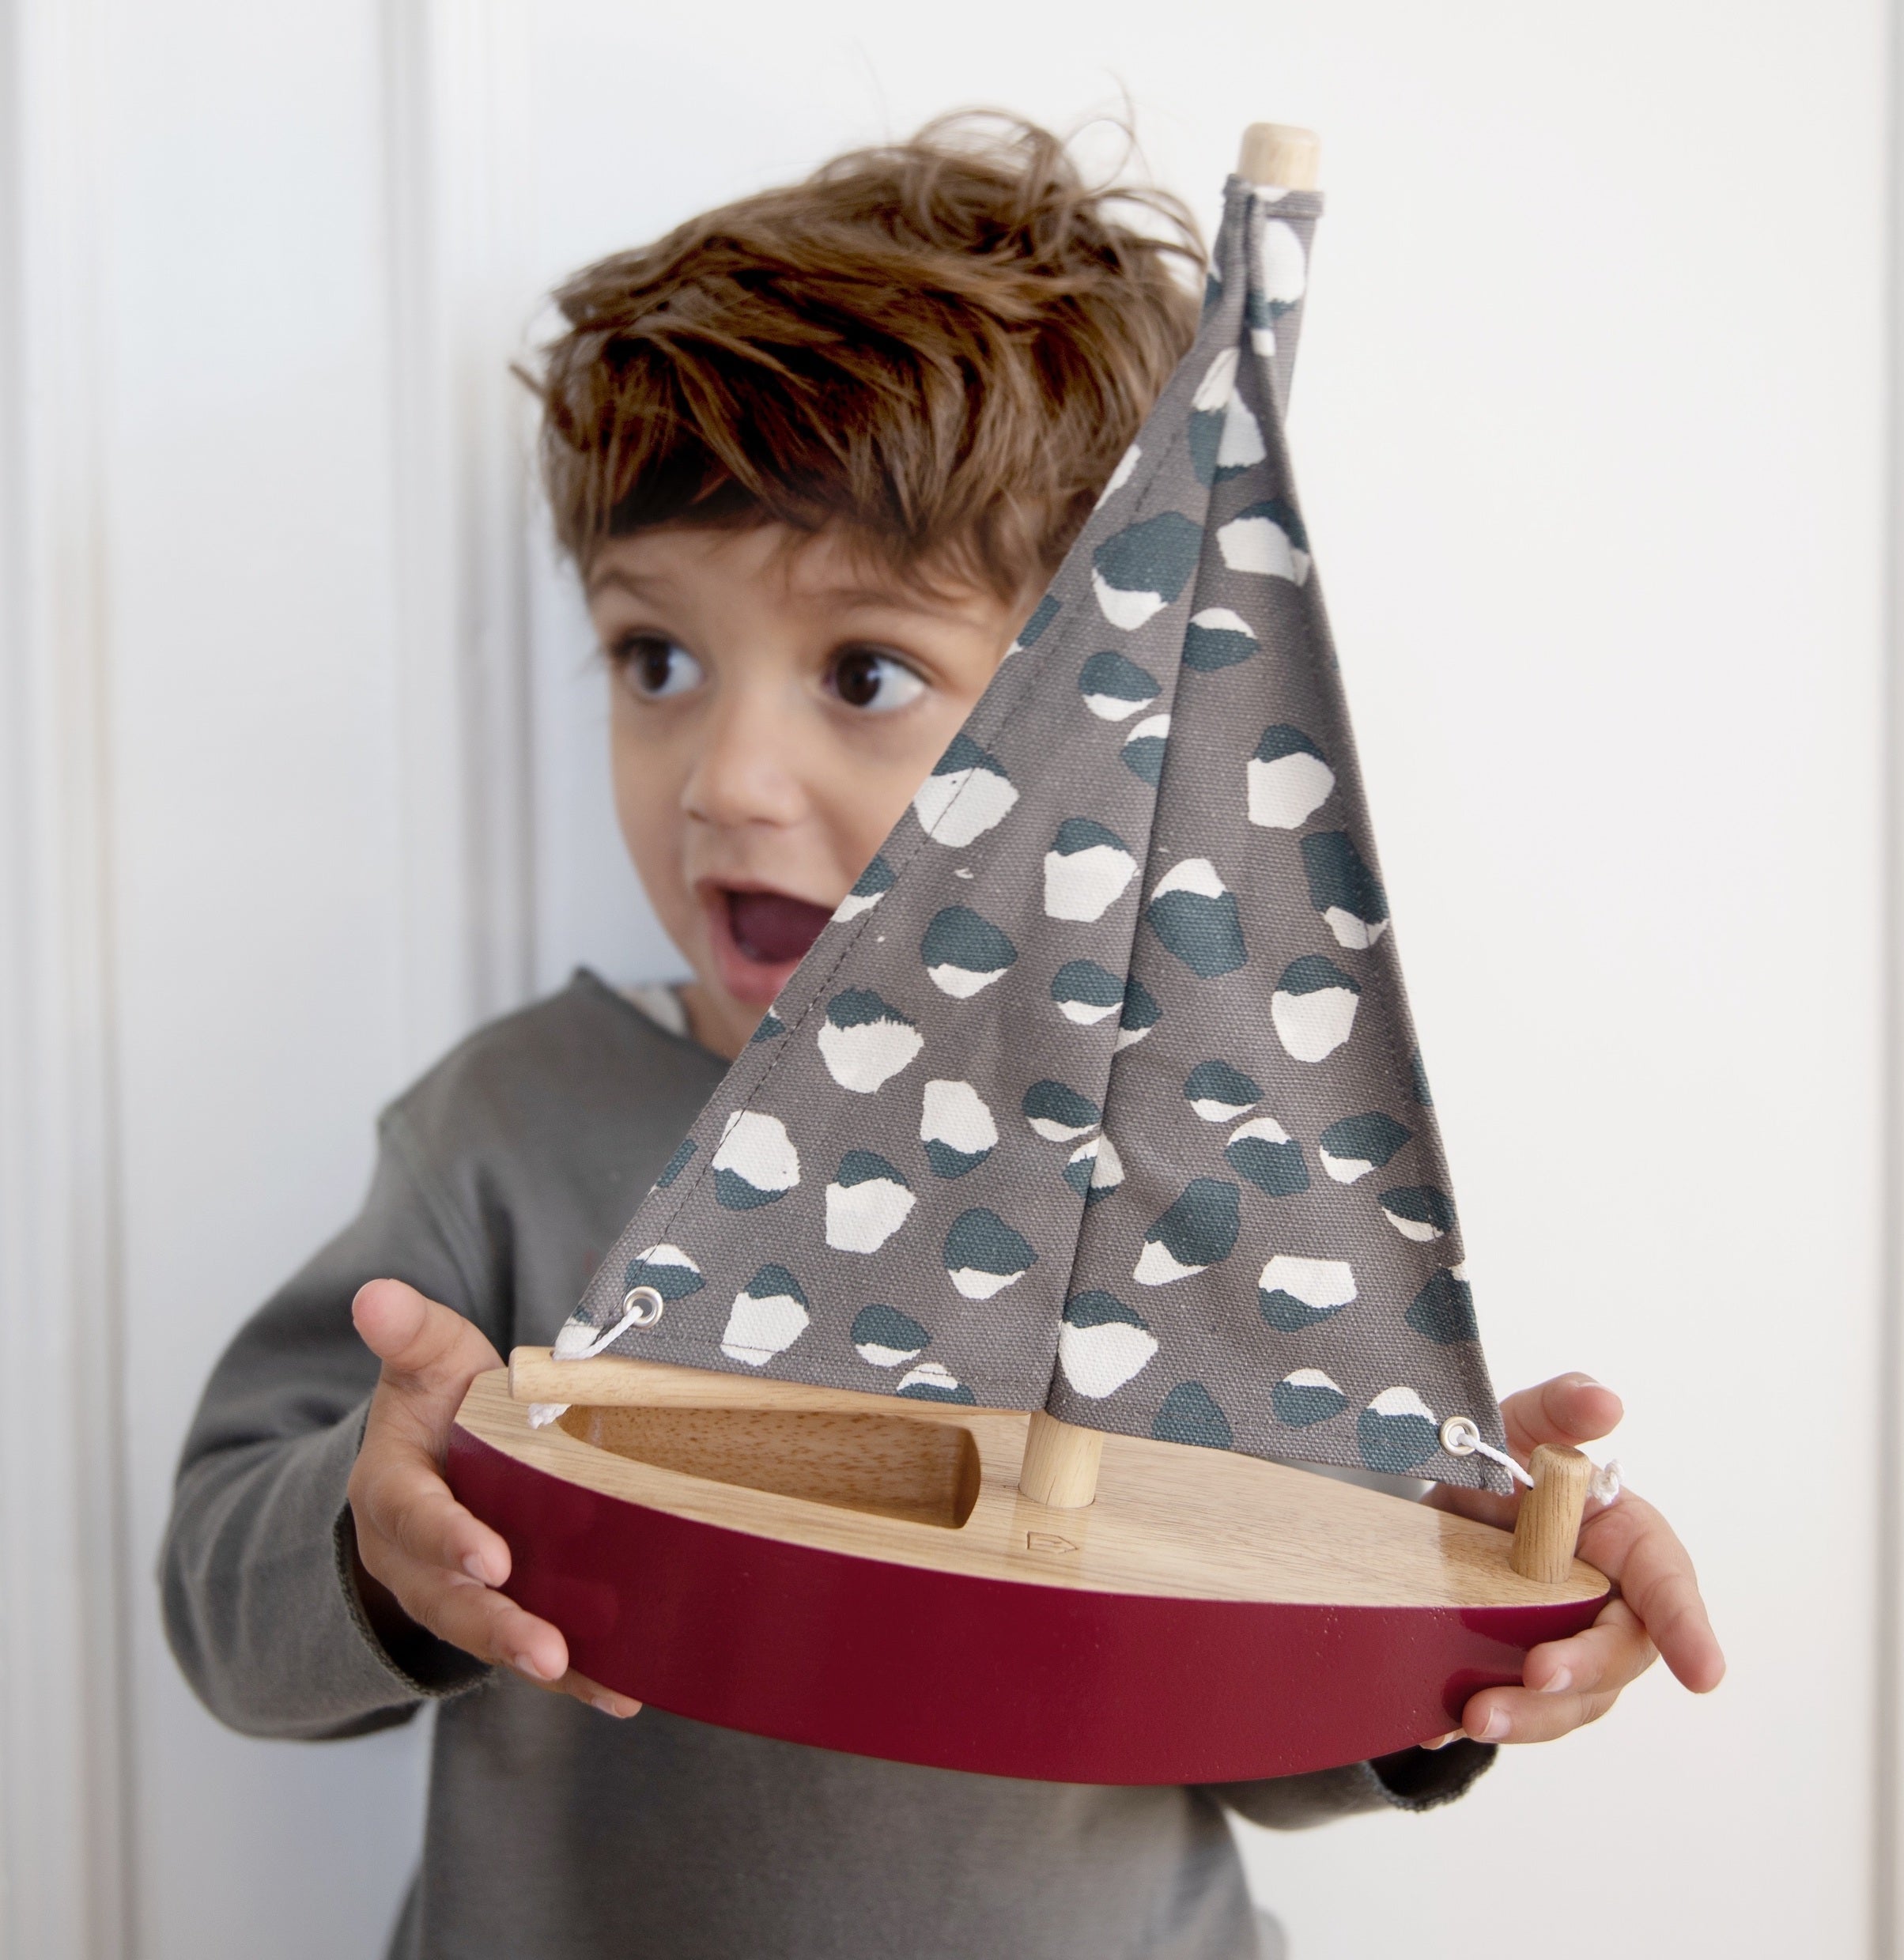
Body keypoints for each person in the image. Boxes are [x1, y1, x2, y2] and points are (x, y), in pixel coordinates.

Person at [161, 115, 1724, 1960]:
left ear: (1104, 739)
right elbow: (223, 1612)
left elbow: (1254, 1726)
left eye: (864, 672)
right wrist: (379, 1529)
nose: (726, 780)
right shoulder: (507, 1127)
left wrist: (1450, 1608)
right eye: (655, 659)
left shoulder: (1180, 1169)